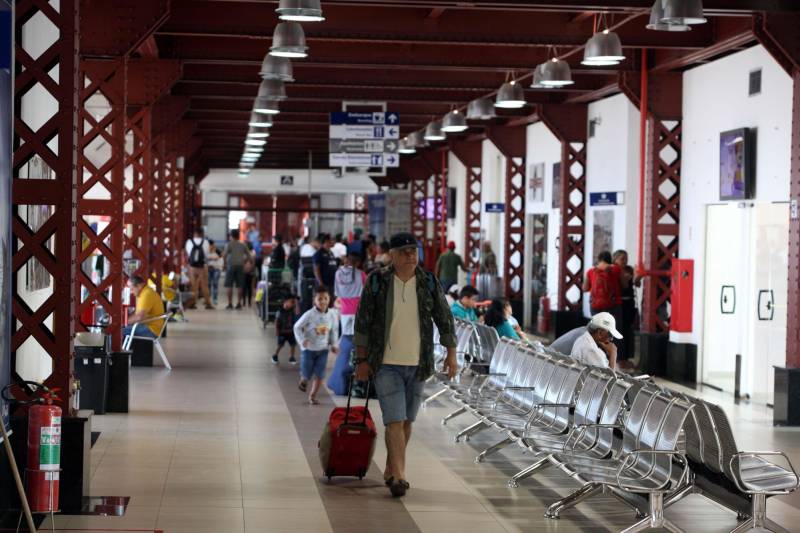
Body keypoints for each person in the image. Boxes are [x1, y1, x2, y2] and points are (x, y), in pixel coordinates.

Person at [354, 232, 457, 498]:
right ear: (392, 255)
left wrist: (451, 354)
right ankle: (400, 476)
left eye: (414, 250)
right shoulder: (378, 281)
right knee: (395, 420)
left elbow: (444, 318)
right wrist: (361, 359)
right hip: (385, 363)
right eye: (405, 251)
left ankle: (391, 467)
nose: (411, 255)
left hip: (418, 363)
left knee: (407, 421)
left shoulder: (429, 282)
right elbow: (363, 321)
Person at [327, 252, 367, 395]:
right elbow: (366, 293)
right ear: (356, 263)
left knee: (346, 337)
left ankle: (339, 351)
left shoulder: (338, 273)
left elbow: (337, 292)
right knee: (357, 340)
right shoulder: (361, 274)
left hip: (344, 310)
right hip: (358, 310)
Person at [294, 285, 339, 404]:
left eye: (325, 298)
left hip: (323, 350)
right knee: (306, 373)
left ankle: (312, 397)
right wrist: (302, 340)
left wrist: (333, 345)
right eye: (320, 299)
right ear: (314, 300)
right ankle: (304, 380)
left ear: (329, 298)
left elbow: (334, 330)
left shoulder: (332, 315)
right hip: (308, 349)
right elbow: (297, 327)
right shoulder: (309, 314)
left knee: (320, 374)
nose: (323, 301)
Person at [123, 275, 166, 343]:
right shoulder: (144, 292)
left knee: (118, 332)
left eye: (132, 289)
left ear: (139, 286)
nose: (131, 292)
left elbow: (139, 317)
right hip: (148, 326)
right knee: (121, 329)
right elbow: (138, 314)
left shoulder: (146, 294)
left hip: (151, 329)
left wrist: (124, 322)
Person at [613, 249, 637, 368]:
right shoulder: (614, 270)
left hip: (629, 303)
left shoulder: (629, 269)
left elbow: (637, 284)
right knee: (620, 330)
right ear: (615, 259)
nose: (624, 261)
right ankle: (620, 358)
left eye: (626, 259)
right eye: (622, 259)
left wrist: (636, 276)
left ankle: (627, 357)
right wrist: (625, 278)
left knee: (628, 330)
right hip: (619, 303)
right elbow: (623, 285)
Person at [583, 251, 622, 315]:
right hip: (613, 305)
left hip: (595, 306)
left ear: (599, 259)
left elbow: (585, 288)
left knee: (597, 325)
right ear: (610, 259)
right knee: (613, 325)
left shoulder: (590, 271)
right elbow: (624, 285)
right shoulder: (616, 269)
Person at [184, 228, 214, 309]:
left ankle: (192, 303)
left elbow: (188, 254)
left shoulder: (189, 241)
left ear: (194, 233)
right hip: (202, 266)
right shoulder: (205, 242)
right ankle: (208, 304)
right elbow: (206, 254)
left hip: (192, 267)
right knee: (204, 285)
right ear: (202, 234)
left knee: (193, 286)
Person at [223, 229, 249, 310]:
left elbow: (224, 255)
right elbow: (249, 255)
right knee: (240, 286)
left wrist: (224, 265)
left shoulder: (229, 244)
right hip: (240, 266)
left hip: (231, 266)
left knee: (229, 285)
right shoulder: (243, 244)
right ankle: (238, 303)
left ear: (231, 236)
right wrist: (246, 263)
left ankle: (230, 304)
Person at [273, 294, 299, 365]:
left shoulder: (292, 310)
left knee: (293, 345)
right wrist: (277, 330)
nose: (293, 304)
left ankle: (292, 357)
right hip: (282, 332)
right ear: (286, 302)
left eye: (293, 303)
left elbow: (297, 313)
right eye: (292, 302)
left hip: (290, 332)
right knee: (280, 345)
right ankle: (275, 355)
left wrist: (296, 303)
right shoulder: (280, 311)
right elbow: (276, 321)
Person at [206, 240, 224, 306]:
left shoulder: (218, 251)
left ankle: (215, 299)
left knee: (215, 284)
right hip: (209, 269)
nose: (211, 246)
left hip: (217, 269)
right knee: (208, 284)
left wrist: (212, 258)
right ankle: (208, 299)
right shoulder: (206, 252)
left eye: (212, 245)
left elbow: (220, 258)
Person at [242, 242, 256, 307]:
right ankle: (249, 302)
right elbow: (253, 262)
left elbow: (242, 261)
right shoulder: (253, 252)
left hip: (245, 271)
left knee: (245, 287)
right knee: (249, 287)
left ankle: (244, 302)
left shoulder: (244, 253)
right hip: (251, 272)